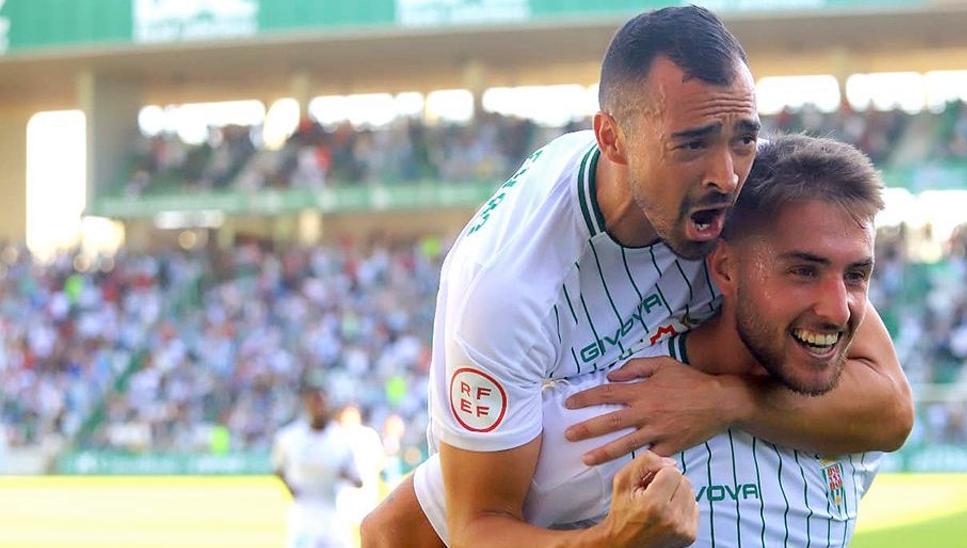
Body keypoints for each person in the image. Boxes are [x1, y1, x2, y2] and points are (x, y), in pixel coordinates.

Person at [362, 6, 911, 547]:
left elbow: (889, 406)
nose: (726, 174)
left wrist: (726, 401)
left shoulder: (753, 198)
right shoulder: (506, 291)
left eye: (744, 137)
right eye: (693, 143)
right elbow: (468, 525)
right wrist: (612, 539)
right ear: (613, 138)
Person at [409, 135, 891, 547]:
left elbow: (896, 414)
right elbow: (397, 532)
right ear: (724, 268)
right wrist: (610, 541)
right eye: (802, 271)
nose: (838, 309)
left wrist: (730, 402)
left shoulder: (849, 412)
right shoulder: (618, 414)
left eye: (856, 275)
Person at [273, 384, 363, 548]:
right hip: (303, 514)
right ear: (306, 405)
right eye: (314, 402)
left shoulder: (341, 438)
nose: (318, 407)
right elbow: (278, 469)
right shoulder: (289, 438)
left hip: (333, 514)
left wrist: (347, 476)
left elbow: (358, 479)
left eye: (322, 402)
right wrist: (290, 488)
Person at [336, 404, 386, 531]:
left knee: (366, 527)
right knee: (343, 529)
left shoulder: (368, 434)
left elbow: (379, 460)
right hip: (344, 489)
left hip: (366, 486)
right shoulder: (337, 436)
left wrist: (368, 475)